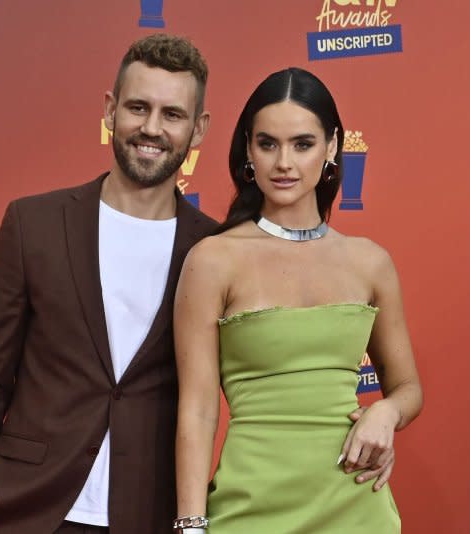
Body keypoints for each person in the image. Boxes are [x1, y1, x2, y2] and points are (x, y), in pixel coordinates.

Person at [0, 34, 215, 534]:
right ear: (110, 110)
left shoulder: (215, 250)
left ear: (198, 129)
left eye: (172, 114)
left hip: (149, 514)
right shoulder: (34, 224)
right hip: (29, 511)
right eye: (138, 107)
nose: (151, 128)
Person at [173, 67, 423, 533]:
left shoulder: (370, 262)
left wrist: (385, 412)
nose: (283, 162)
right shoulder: (212, 261)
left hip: (355, 506)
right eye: (268, 144)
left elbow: (408, 388)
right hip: (251, 506)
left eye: (302, 144)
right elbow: (199, 409)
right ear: (248, 149)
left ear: (331, 147)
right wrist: (191, 525)